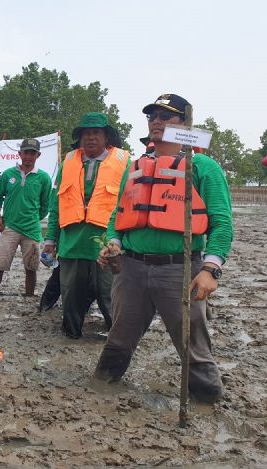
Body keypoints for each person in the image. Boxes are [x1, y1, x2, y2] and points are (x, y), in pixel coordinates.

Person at [94, 93, 233, 403]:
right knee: (118, 337)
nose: (155, 121)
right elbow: (119, 215)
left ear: (183, 123)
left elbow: (222, 223)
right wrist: (113, 242)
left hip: (180, 270)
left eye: (165, 116)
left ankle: (207, 403)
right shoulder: (135, 167)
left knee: (192, 345)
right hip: (130, 268)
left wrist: (211, 269)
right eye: (151, 116)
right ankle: (101, 387)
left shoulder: (204, 167)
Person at [42, 112, 130, 338]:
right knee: (71, 294)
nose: (91, 138)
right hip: (72, 243)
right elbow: (57, 205)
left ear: (106, 137)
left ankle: (119, 336)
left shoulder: (124, 164)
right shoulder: (67, 164)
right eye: (86, 134)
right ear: (80, 138)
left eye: (96, 133)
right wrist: (50, 240)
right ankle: (71, 333)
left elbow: (131, 204)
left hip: (108, 243)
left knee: (110, 293)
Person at [0, 138, 52, 297]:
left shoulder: (43, 178)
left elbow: (45, 206)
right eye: (26, 152)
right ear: (20, 154)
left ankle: (29, 297)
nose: (29, 156)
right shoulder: (8, 174)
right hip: (10, 228)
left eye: (33, 153)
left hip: (32, 230)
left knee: (31, 268)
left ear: (38, 155)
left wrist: (34, 218)